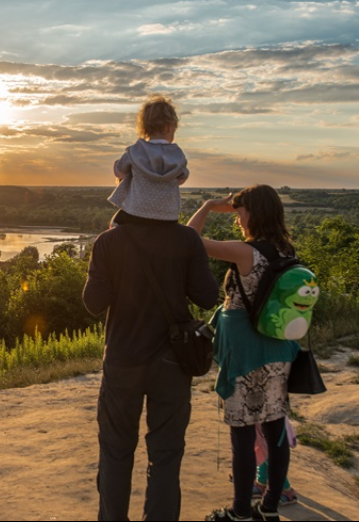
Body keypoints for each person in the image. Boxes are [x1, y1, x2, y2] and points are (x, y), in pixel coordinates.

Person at [83, 196, 219, 520]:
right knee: (166, 455)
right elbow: (207, 295)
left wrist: (108, 257)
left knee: (115, 452)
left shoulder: (109, 241)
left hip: (123, 360)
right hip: (172, 362)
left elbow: (93, 302)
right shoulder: (186, 239)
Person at [186, 185, 301, 522]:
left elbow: (189, 242)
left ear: (255, 213)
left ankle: (239, 513)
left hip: (247, 356)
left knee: (242, 430)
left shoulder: (246, 252)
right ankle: (269, 509)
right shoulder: (284, 249)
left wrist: (207, 206)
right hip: (279, 351)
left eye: (240, 211)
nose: (237, 218)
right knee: (274, 429)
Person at [108, 95, 189, 227]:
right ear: (172, 127)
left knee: (113, 226)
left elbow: (120, 173)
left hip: (136, 212)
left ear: (144, 127)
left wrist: (118, 166)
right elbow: (181, 179)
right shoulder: (177, 154)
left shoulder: (136, 151)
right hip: (169, 216)